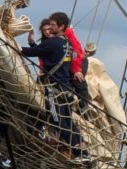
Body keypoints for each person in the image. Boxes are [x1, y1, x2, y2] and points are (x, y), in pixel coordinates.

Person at [22, 25, 86, 156]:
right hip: (65, 88)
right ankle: (82, 149)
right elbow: (40, 50)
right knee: (67, 120)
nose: (48, 31)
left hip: (54, 88)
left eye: (50, 28)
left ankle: (77, 149)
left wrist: (17, 47)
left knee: (58, 121)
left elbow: (33, 52)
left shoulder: (52, 44)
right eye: (45, 30)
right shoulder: (66, 43)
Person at [48, 11, 89, 108]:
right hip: (65, 62)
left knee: (78, 80)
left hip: (78, 60)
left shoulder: (68, 33)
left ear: (61, 26)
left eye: (52, 25)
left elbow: (75, 52)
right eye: (49, 24)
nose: (49, 27)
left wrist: (76, 70)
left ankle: (84, 107)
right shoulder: (50, 37)